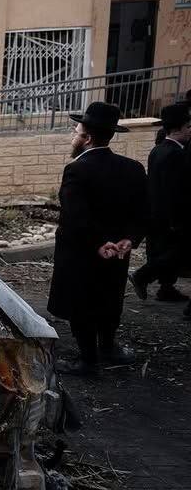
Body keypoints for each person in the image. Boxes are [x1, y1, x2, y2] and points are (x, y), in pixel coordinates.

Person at [47, 102, 148, 376]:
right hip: (118, 253)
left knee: (81, 303)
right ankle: (108, 346)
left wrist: (98, 243)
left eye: (76, 131)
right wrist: (130, 239)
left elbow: (75, 215)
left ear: (88, 138)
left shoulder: (77, 170)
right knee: (109, 297)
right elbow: (143, 210)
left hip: (83, 252)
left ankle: (88, 360)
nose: (73, 136)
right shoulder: (133, 168)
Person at [130, 103, 191, 303]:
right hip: (170, 215)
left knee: (164, 251)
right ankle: (142, 276)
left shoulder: (158, 150)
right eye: (188, 127)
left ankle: (166, 288)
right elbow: (175, 190)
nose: (190, 131)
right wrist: (176, 219)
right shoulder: (176, 154)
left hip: (156, 212)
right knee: (176, 252)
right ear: (179, 128)